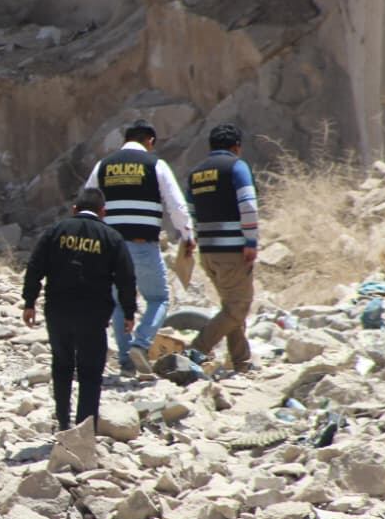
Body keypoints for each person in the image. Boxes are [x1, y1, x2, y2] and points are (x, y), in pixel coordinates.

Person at [84, 119, 195, 374]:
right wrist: (187, 235)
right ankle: (141, 343)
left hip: (109, 247)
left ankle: (126, 362)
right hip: (142, 244)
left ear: (126, 140)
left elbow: (87, 201)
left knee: (120, 303)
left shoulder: (103, 166)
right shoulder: (156, 165)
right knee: (158, 298)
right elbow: (176, 205)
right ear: (150, 142)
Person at [22, 188, 137, 432]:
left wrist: (29, 302)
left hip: (58, 310)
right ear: (102, 212)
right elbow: (126, 278)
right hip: (93, 315)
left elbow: (35, 267)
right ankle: (84, 429)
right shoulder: (111, 237)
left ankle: (63, 421)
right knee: (91, 372)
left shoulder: (56, 231)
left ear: (74, 210)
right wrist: (129, 312)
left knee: (62, 364)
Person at [186, 123, 259, 371]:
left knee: (231, 306)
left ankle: (241, 362)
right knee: (239, 307)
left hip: (207, 252)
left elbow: (192, 213)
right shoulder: (236, 167)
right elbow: (248, 206)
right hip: (233, 250)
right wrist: (250, 241)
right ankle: (194, 351)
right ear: (236, 147)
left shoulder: (195, 173)